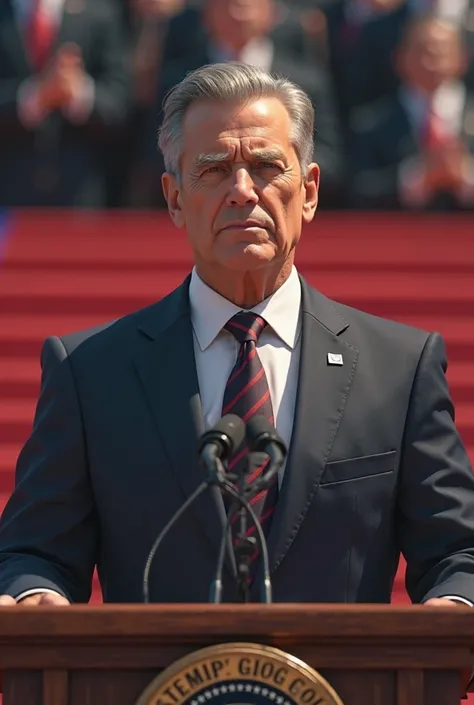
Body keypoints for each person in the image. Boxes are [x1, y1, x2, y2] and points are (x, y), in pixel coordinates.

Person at [1, 62, 474, 607]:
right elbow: (33, 553)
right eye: (214, 169)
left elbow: (456, 554)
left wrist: (456, 603)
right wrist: (34, 591)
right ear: (174, 199)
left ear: (310, 189)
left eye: (268, 166)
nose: (243, 191)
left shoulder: (398, 367)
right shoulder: (91, 372)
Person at [349, 15, 474, 209]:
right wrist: (415, 177)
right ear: (400, 58)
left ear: (462, 58)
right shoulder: (371, 123)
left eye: (441, 52)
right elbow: (356, 188)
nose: (431, 61)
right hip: (398, 235)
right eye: (422, 51)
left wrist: (465, 174)